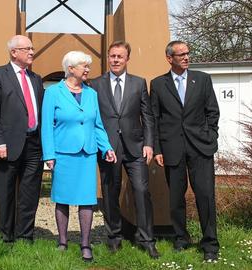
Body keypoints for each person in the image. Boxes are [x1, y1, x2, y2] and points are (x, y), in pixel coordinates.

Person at [41, 51, 117, 262]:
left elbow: (97, 125)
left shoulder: (91, 93)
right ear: (71, 68)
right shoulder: (53, 92)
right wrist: (49, 154)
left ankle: (85, 243)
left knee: (86, 200)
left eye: (88, 66)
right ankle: (63, 242)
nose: (87, 70)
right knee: (62, 199)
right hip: (63, 154)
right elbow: (46, 126)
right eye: (84, 66)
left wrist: (107, 148)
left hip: (87, 154)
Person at [150, 40, 220, 262]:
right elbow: (155, 119)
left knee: (205, 196)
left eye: (188, 53)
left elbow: (213, 112)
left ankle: (210, 244)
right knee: (176, 198)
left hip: (201, 148)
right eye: (181, 54)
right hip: (172, 149)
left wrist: (211, 136)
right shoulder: (158, 84)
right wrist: (158, 148)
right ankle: (181, 238)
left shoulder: (202, 79)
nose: (187, 57)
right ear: (169, 58)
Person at [90, 41, 159, 258]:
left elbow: (147, 116)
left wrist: (149, 143)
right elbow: (92, 117)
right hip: (108, 148)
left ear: (127, 59)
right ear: (108, 58)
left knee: (141, 190)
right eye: (112, 56)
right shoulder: (95, 84)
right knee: (111, 193)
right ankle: (114, 238)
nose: (116, 60)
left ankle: (147, 239)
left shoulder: (139, 83)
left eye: (120, 56)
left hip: (136, 147)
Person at [0, 35, 44, 244]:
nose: (31, 52)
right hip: (7, 145)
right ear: (13, 52)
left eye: (32, 48)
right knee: (6, 193)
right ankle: (6, 237)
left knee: (30, 193)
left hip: (34, 145)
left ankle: (25, 236)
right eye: (26, 48)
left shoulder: (36, 79)